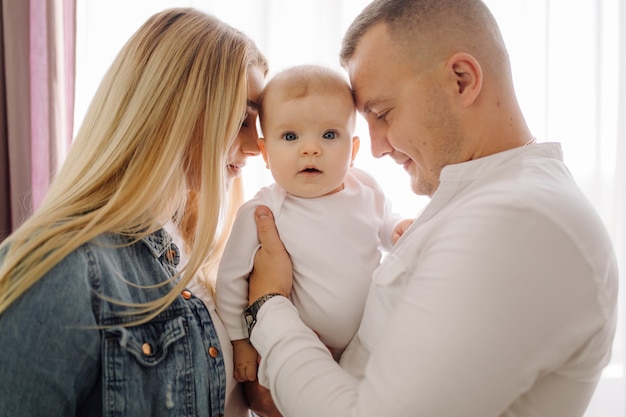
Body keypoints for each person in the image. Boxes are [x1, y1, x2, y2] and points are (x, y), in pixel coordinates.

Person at [244, 1, 619, 416]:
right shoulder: (482, 200)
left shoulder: (519, 220)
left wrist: (268, 309)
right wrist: (296, 382)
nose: (376, 148)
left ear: (461, 81)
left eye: (383, 114)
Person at [0, 8, 268, 417]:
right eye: (241, 119)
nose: (255, 147)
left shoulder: (196, 256)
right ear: (178, 108)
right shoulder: (67, 268)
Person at [215, 64, 413, 382]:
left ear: (353, 150)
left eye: (330, 135)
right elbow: (230, 281)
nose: (311, 148)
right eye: (290, 136)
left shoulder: (366, 187)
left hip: (372, 344)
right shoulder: (265, 210)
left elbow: (383, 221)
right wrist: (240, 341)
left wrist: (396, 229)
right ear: (265, 152)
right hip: (299, 348)